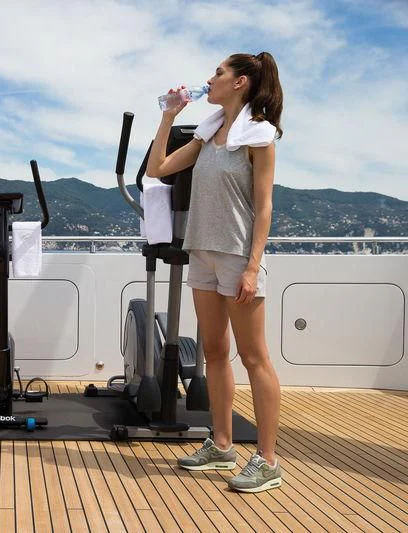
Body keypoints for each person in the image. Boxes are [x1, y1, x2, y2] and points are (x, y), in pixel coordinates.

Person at [146, 52, 283, 493]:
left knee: (254, 356)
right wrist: (169, 116)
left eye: (218, 73)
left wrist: (252, 265)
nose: (210, 78)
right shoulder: (208, 132)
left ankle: (267, 459)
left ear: (240, 82)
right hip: (201, 251)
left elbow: (264, 208)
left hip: (237, 255)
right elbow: (158, 169)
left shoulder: (259, 135)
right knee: (213, 351)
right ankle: (222, 445)